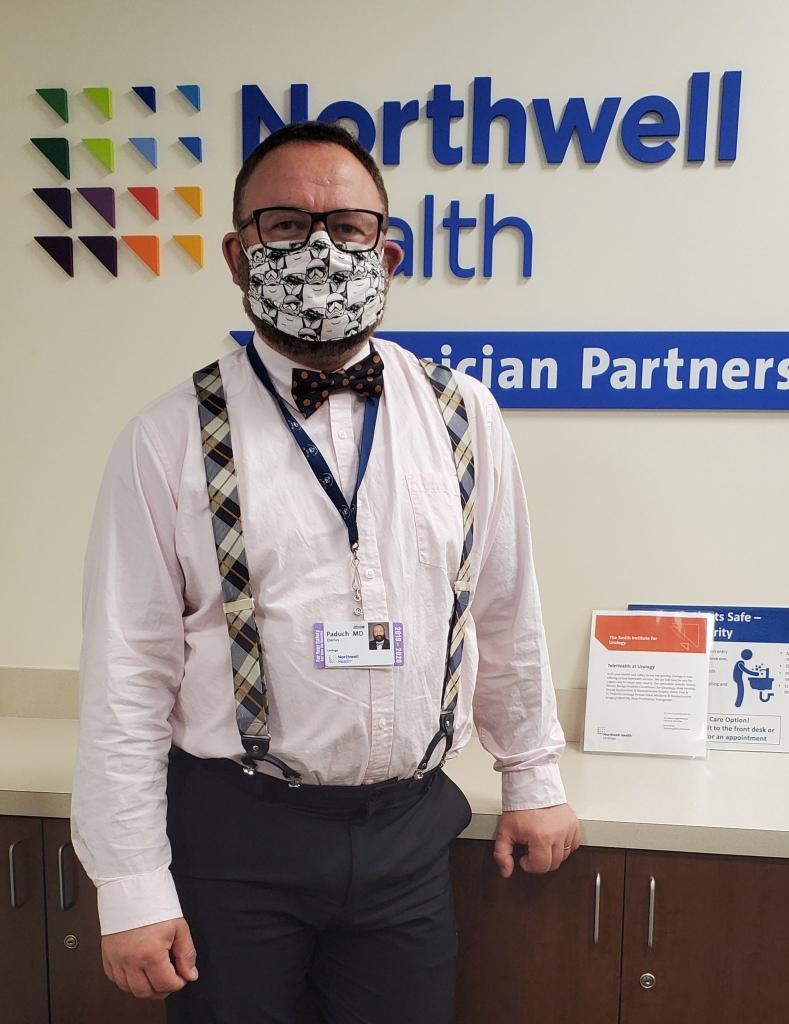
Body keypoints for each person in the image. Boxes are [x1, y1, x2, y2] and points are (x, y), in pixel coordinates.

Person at [71, 121, 579, 1024]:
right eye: (283, 225)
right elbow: (128, 673)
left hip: (411, 834)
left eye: (346, 228)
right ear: (237, 254)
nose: (319, 249)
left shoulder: (466, 417)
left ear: (385, 252)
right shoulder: (168, 437)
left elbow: (503, 611)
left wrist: (532, 777)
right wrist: (130, 884)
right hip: (235, 838)